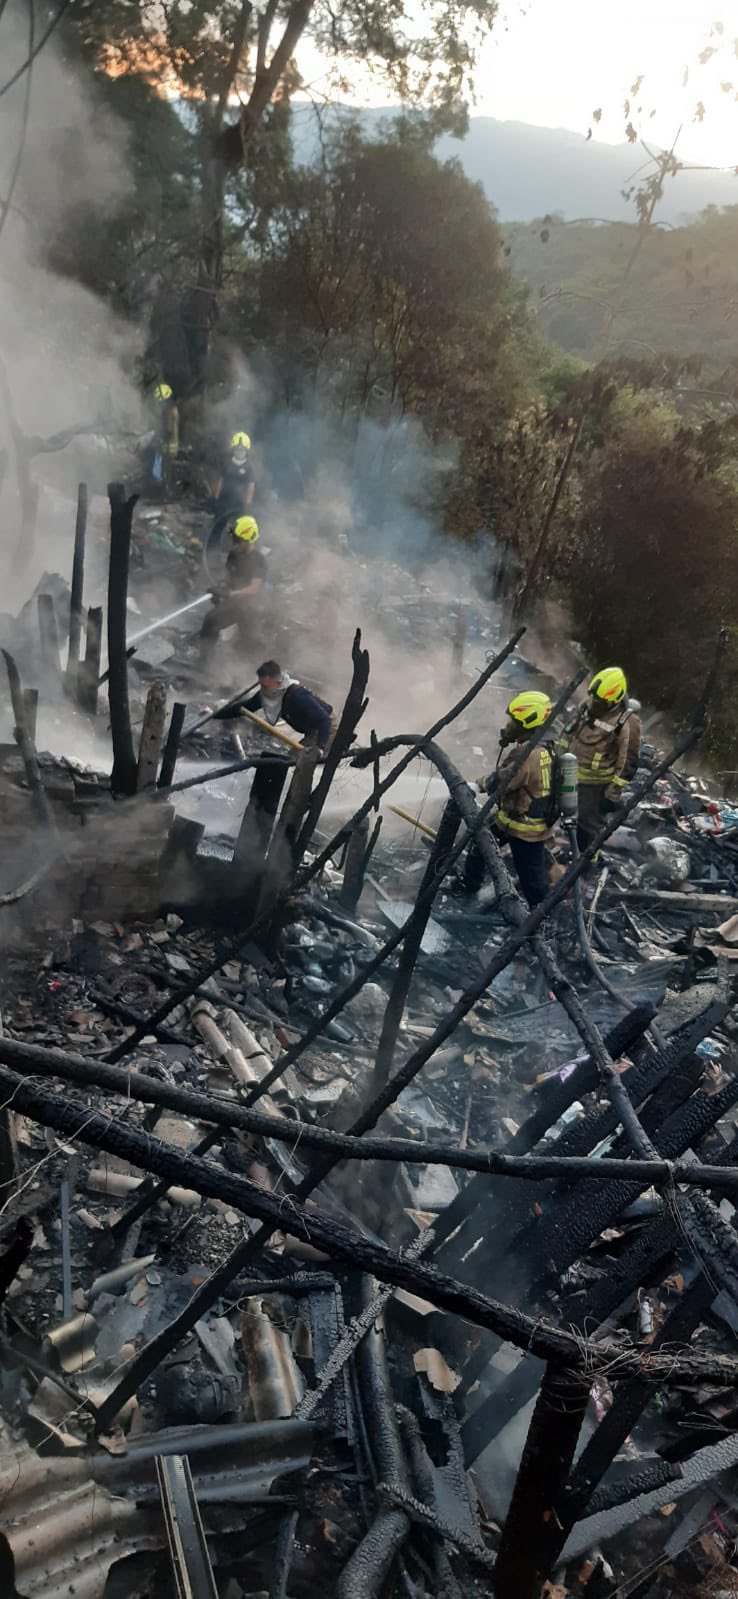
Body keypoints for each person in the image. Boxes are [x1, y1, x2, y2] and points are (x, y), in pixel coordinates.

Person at [467, 690, 557, 907]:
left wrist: (478, 785)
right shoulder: (545, 746)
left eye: (513, 721)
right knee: (479, 842)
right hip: (510, 818)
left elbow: (505, 779)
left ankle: (539, 917)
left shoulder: (528, 754)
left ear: (528, 722)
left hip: (525, 828)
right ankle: (469, 886)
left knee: (531, 877)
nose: (508, 725)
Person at [561, 666, 637, 851]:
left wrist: (612, 794)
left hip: (595, 787)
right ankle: (570, 850)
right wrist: (558, 759)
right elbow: (568, 732)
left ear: (614, 701)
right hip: (570, 774)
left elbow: (627, 762)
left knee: (588, 826)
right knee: (565, 815)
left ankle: (586, 865)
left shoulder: (627, 722)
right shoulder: (588, 706)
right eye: (594, 698)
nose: (595, 704)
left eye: (601, 702)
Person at [199, 514, 267, 668]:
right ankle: (204, 663)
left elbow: (253, 589)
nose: (234, 543)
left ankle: (246, 676)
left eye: (237, 540)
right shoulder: (233, 555)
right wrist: (220, 588)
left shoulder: (258, 560)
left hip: (251, 608)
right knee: (210, 621)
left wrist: (230, 594)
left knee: (249, 645)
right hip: (234, 604)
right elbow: (229, 577)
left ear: (247, 540)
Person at [241, 660, 337, 752]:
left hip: (326, 727)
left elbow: (324, 720)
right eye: (261, 685)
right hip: (312, 728)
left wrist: (320, 747)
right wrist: (226, 712)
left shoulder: (298, 696)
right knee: (293, 758)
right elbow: (247, 707)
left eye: (265, 686)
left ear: (278, 683)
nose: (263, 689)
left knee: (302, 759)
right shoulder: (269, 693)